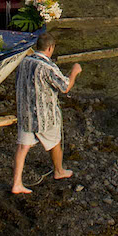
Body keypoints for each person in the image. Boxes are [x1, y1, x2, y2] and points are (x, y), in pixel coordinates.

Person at [10, 31, 81, 195]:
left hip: (25, 113)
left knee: (22, 147)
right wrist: (74, 72)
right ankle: (59, 171)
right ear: (50, 48)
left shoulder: (24, 62)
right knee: (55, 142)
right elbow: (65, 87)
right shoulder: (47, 67)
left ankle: (17, 183)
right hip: (43, 116)